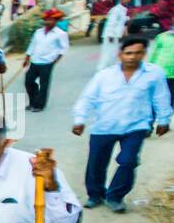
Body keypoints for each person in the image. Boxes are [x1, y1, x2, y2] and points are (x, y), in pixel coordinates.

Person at [71, 35, 172, 213]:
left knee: (128, 161)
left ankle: (116, 196)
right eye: (128, 53)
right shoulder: (104, 75)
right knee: (96, 162)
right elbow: (88, 98)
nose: (132, 57)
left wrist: (163, 119)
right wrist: (80, 120)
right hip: (105, 126)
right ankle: (95, 195)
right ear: (120, 54)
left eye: (138, 53)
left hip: (136, 126)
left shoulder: (154, 74)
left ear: (144, 53)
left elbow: (161, 97)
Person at [21, 8, 69, 111]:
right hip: (35, 61)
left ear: (56, 21)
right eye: (46, 19)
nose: (48, 22)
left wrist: (55, 60)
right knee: (28, 82)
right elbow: (32, 45)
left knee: (44, 85)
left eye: (51, 19)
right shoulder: (38, 32)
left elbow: (64, 48)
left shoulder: (60, 34)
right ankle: (33, 102)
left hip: (47, 62)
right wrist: (27, 58)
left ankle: (39, 105)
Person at [97, 0, 133, 74]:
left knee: (113, 53)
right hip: (111, 35)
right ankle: (101, 70)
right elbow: (111, 23)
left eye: (128, 0)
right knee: (107, 53)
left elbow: (123, 21)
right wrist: (110, 35)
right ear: (121, 0)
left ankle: (110, 70)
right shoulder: (116, 9)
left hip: (116, 35)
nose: (127, 1)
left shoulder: (124, 10)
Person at [147, 22, 174, 104]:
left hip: (162, 70)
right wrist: (149, 66)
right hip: (163, 71)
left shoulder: (162, 36)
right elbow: (153, 53)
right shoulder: (161, 37)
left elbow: (153, 53)